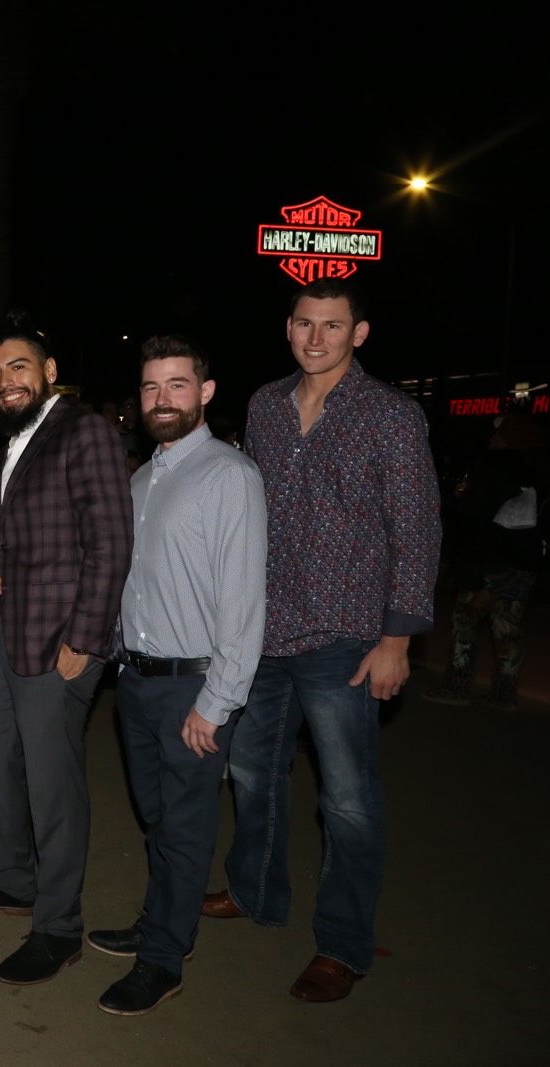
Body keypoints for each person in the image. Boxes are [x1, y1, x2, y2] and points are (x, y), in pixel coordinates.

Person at [202, 279, 440, 1003]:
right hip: (265, 629)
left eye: (332, 326)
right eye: (305, 323)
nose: (316, 338)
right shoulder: (266, 407)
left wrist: (397, 638)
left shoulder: (392, 417)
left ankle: (342, 943)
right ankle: (255, 891)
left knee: (347, 799)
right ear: (288, 327)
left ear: (357, 334)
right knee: (252, 772)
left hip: (346, 635)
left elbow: (418, 530)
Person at [0, 311, 132, 986]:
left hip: (60, 638)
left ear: (49, 373)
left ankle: (58, 925)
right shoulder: (5, 453)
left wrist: (87, 635)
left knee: (53, 784)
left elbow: (110, 542)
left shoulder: (86, 433)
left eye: (19, 366)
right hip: (1, 631)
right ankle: (10, 878)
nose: (5, 381)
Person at [86, 336, 266, 1015]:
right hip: (136, 681)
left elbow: (245, 603)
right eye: (151, 387)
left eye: (177, 385)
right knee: (158, 818)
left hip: (194, 686)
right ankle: (159, 919)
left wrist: (215, 703)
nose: (162, 399)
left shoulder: (230, 476)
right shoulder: (140, 480)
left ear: (206, 392)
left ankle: (163, 956)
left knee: (185, 824)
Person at [425, 411, 546, 711]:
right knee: (508, 629)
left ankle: (457, 686)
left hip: (489, 565)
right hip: (521, 566)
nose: (492, 438)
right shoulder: (539, 472)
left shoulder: (492, 469)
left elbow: (471, 516)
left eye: (498, 434)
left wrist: (458, 553)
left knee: (465, 623)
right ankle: (504, 693)